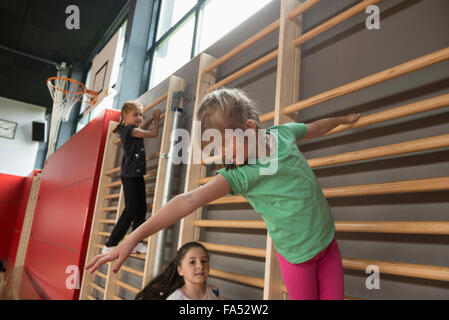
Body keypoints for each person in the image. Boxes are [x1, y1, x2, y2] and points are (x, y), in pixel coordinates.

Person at [87, 88, 361, 300]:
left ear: (250, 129)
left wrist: (343, 119)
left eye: (224, 144)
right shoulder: (241, 175)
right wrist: (132, 237)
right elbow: (186, 200)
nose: (222, 154)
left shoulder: (284, 134)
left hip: (328, 245)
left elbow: (316, 127)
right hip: (297, 259)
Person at [102, 101, 160, 255]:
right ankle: (110, 244)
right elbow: (153, 134)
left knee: (141, 209)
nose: (139, 117)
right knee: (131, 210)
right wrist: (157, 119)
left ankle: (136, 242)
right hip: (130, 175)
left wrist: (149, 121)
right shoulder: (129, 130)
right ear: (125, 116)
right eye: (136, 115)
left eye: (141, 115)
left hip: (136, 174)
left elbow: (142, 129)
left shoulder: (132, 130)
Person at [135, 242, 220, 300]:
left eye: (204, 261)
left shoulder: (213, 291)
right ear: (180, 270)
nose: (200, 266)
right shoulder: (175, 298)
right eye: (192, 262)